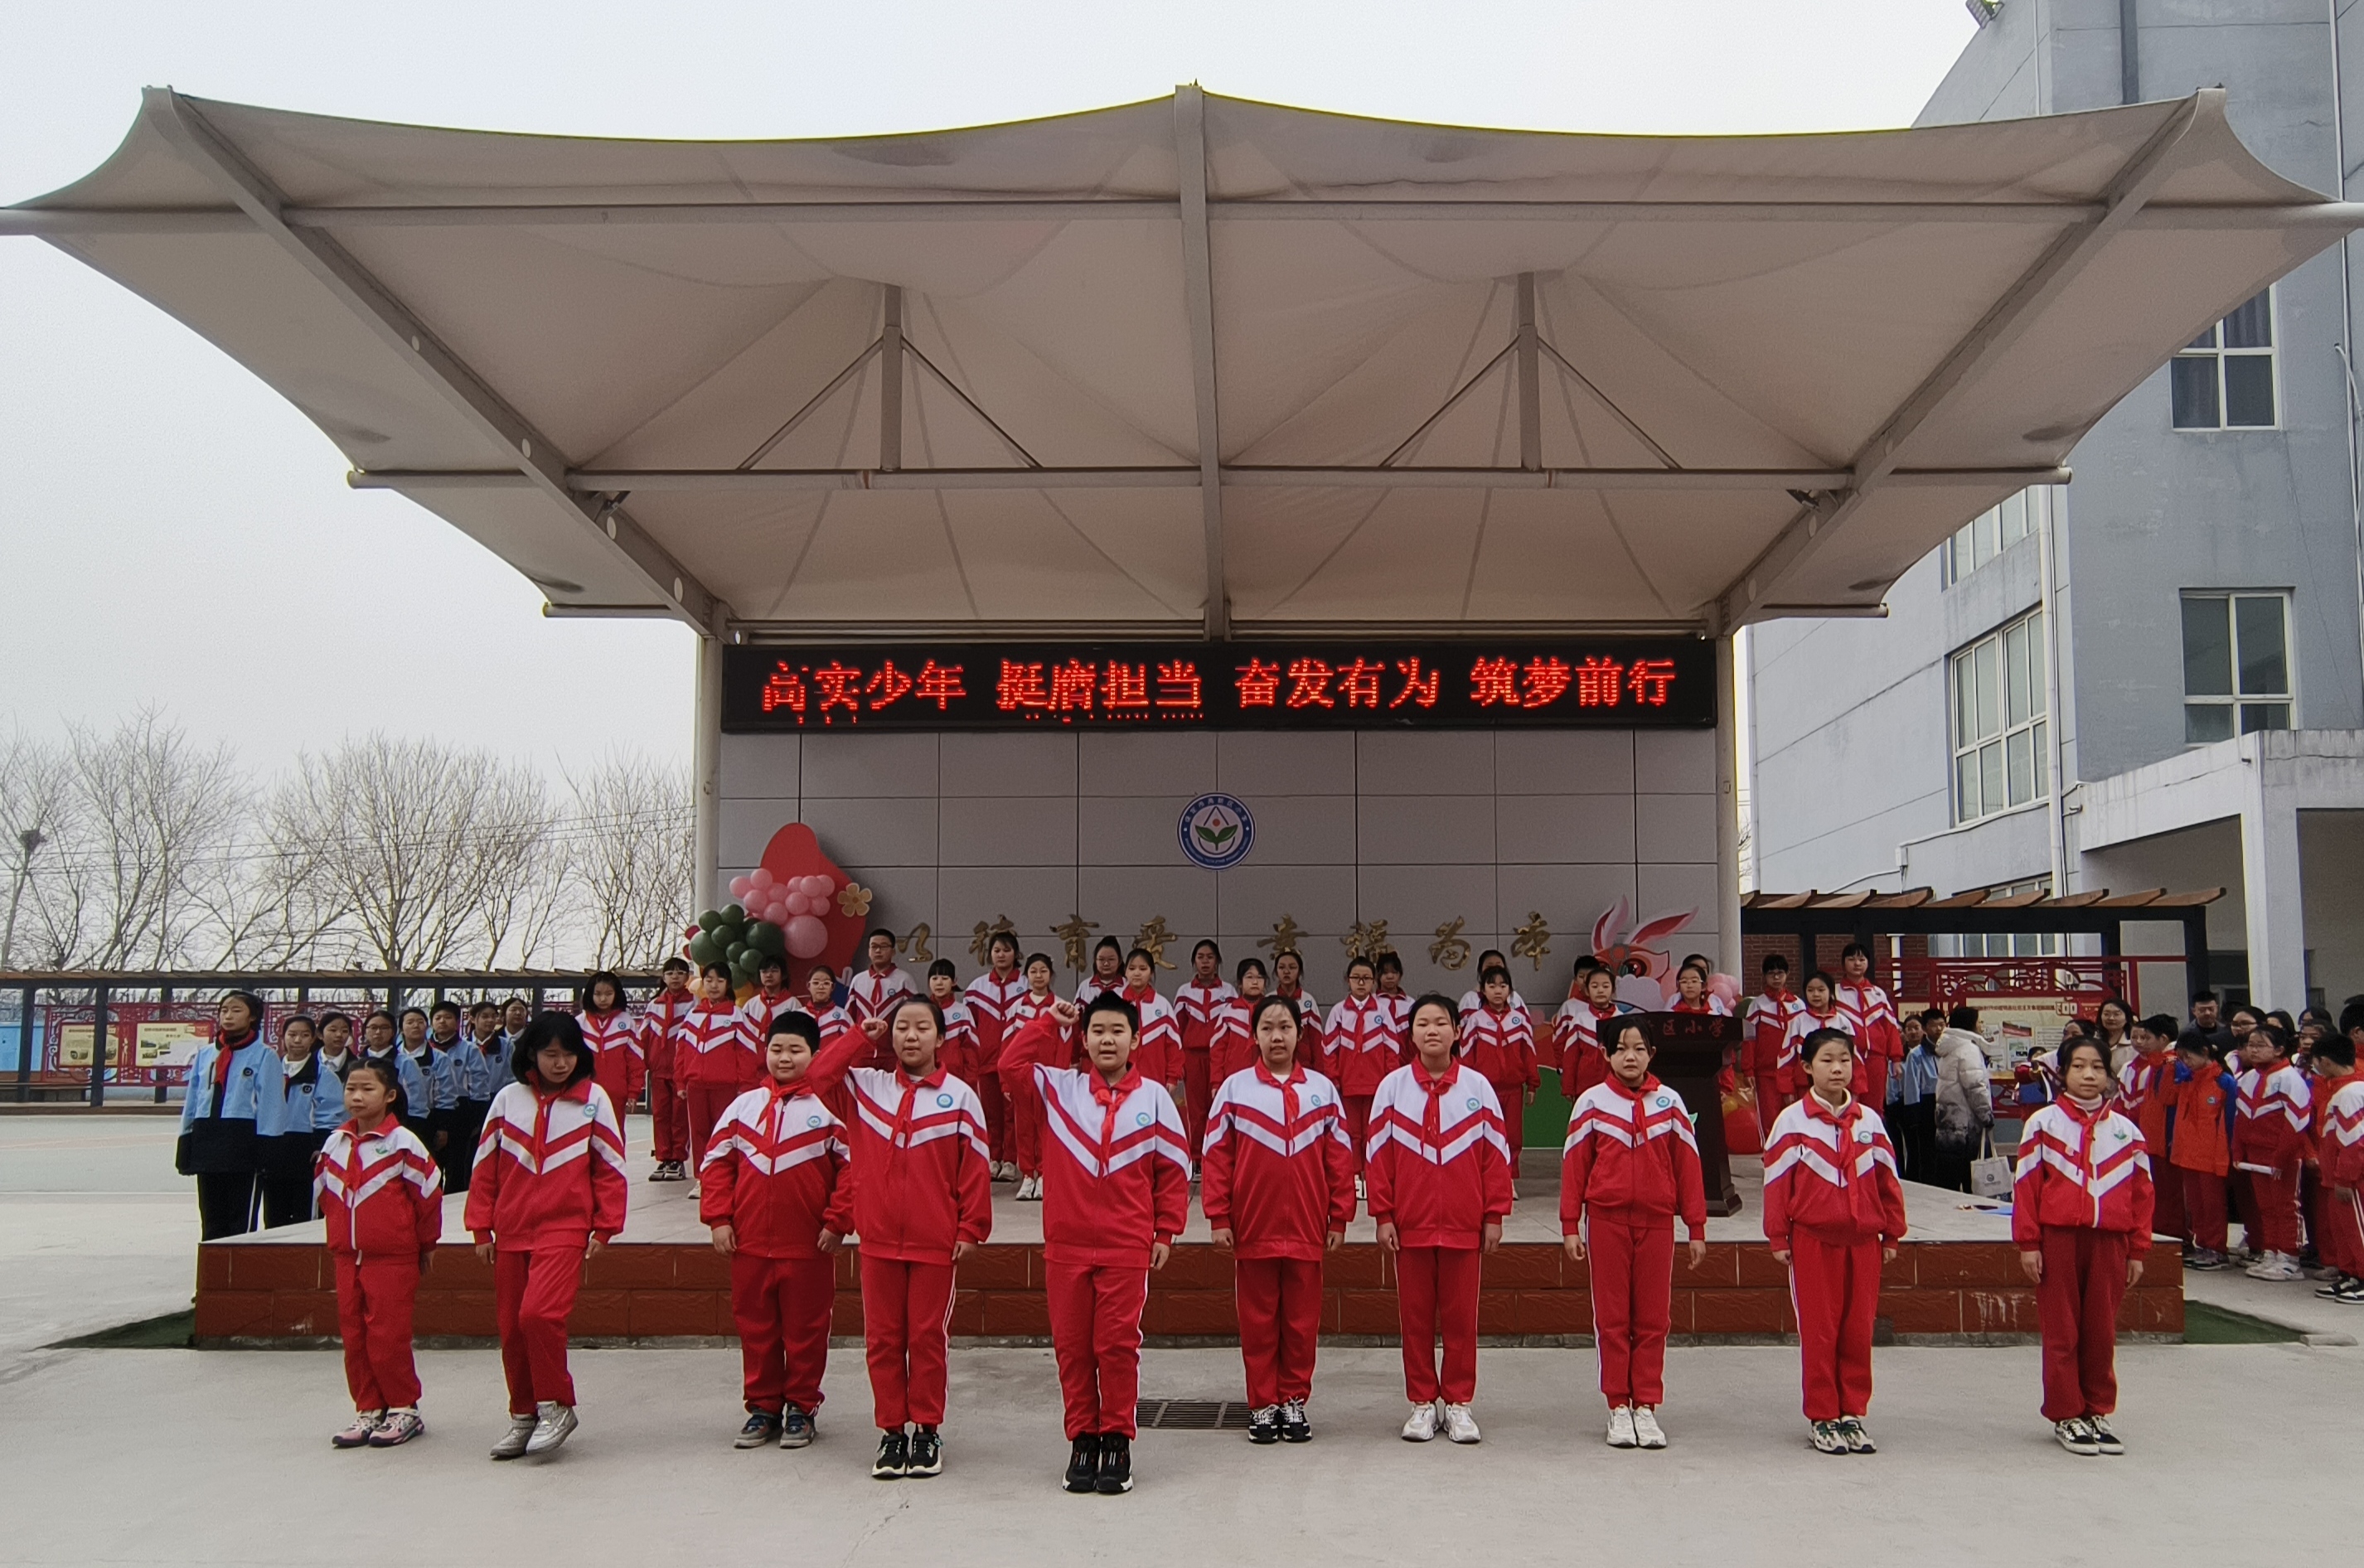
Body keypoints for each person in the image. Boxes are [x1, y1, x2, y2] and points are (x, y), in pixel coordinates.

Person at [802, 998, 993, 1481]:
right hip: (879, 1242)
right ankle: (892, 1432)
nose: (911, 1036)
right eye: (902, 1028)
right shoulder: (866, 1088)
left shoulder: (960, 1096)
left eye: (922, 1028)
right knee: (884, 1341)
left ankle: (926, 1430)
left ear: (941, 1038)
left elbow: (974, 1169)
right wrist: (858, 1038)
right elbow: (818, 1076)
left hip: (935, 1243)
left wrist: (972, 1227)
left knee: (927, 1339)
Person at [1013, 993, 1189, 1495]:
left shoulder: (1154, 1097)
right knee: (1072, 1349)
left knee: (1115, 1347)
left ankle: (1116, 1437)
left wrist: (1166, 1230)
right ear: (1084, 1039)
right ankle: (1082, 1438)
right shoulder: (1059, 1087)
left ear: (1136, 1039)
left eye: (1117, 1031)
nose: (1107, 1039)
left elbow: (1173, 1171)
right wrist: (1049, 1023)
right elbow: (1011, 1065)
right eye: (1097, 1031)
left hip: (1126, 1246)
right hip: (1066, 1247)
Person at [467, 1012, 628, 1459]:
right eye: (550, 1054)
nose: (560, 1063)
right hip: (511, 1231)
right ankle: (524, 1413)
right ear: (531, 1055)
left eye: (568, 1054)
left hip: (566, 1228)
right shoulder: (506, 1100)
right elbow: (484, 1169)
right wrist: (481, 1225)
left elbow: (610, 1169)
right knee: (511, 1328)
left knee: (539, 1315)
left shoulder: (593, 1099)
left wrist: (606, 1225)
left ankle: (557, 1405)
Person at [1201, 995, 1355, 1445]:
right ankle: (1263, 1404)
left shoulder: (1322, 1091)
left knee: (1302, 1322)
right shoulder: (1234, 1089)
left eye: (1285, 1027)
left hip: (1308, 1228)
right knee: (1258, 1319)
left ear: (1299, 1034)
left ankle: (1294, 1400)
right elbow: (1216, 1159)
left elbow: (1340, 1160)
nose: (1277, 1036)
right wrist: (1218, 1216)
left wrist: (1339, 1218)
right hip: (1253, 1227)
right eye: (1267, 1028)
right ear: (1254, 1036)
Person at [700, 1011, 854, 1450]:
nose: (784, 1058)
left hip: (808, 1246)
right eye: (777, 1049)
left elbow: (853, 1171)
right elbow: (715, 1165)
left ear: (815, 1055)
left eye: (795, 1050)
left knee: (805, 1331)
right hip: (748, 1246)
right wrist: (719, 1219)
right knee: (756, 1329)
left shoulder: (829, 1109)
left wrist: (837, 1222)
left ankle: (801, 1408)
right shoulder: (743, 1106)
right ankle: (763, 1408)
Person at [1367, 995, 1513, 1446]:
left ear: (1456, 1032)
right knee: (1414, 1318)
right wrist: (1383, 1215)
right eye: (1423, 1023)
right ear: (1410, 1034)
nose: (1432, 1031)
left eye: (1441, 1023)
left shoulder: (1478, 1087)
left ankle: (1459, 1403)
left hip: (1464, 1224)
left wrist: (1494, 1215)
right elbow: (1377, 1157)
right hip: (1409, 1226)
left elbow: (1496, 1157)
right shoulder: (1392, 1088)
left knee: (1460, 1318)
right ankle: (1422, 1403)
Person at [1562, 1019, 1707, 1450]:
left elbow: (1688, 1168)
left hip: (1658, 1222)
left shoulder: (1670, 1103)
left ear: (1651, 1055)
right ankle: (1618, 1406)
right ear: (1606, 1055)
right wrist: (1571, 1225)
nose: (1630, 1057)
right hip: (1606, 1221)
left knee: (1653, 1318)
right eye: (1621, 1049)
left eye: (1639, 1049)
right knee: (1612, 1318)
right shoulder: (1591, 1102)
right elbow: (1574, 1168)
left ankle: (1646, 1404)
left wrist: (1695, 1227)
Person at [1763, 1028, 1906, 1455]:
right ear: (1807, 1067)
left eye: (1844, 1060)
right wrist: (1777, 1234)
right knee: (1820, 1330)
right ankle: (1823, 1414)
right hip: (1812, 1240)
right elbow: (1777, 1184)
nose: (1837, 1068)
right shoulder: (1791, 1122)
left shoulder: (1870, 1122)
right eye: (1827, 1060)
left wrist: (1892, 1232)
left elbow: (1888, 1182)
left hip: (1863, 1242)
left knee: (1857, 1328)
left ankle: (1852, 1412)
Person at [2013, 1037, 2153, 1456]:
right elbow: (2026, 1188)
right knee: (2062, 1330)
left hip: (2110, 1241)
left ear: (2110, 1076)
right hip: (2057, 1240)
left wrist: (2138, 1250)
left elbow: (2143, 1195)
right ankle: (2066, 1413)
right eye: (2078, 1067)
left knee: (2101, 1330)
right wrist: (2028, 1244)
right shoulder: (2043, 1123)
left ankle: (2097, 1410)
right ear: (2064, 1073)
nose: (2088, 1076)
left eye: (2097, 1067)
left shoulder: (2127, 1130)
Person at [318, 1055, 443, 1449]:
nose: (357, 1096)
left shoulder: (403, 1143)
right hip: (346, 1256)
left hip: (393, 1257)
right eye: (351, 1089)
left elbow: (428, 1197)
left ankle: (404, 1408)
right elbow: (326, 1198)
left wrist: (426, 1244)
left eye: (367, 1089)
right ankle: (369, 1408)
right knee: (354, 1335)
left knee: (387, 1335)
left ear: (389, 1096)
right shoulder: (334, 1142)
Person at [177, 991, 280, 1239]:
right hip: (208, 1140)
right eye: (224, 1010)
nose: (228, 1016)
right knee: (211, 1220)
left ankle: (238, 1274)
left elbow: (271, 1105)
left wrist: (267, 1149)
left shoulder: (264, 1055)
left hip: (242, 1143)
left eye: (236, 1010)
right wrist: (186, 1140)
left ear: (252, 1016)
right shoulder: (205, 1055)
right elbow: (194, 1099)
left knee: (239, 1222)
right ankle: (213, 1274)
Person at [2231, 1024, 2312, 1280]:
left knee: (2286, 1206)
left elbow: (2296, 1123)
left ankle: (2289, 1258)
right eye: (2250, 1046)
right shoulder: (2248, 1078)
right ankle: (2271, 1251)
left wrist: (2281, 1157)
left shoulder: (2290, 1078)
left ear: (2279, 1049)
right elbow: (2241, 1119)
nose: (2253, 1050)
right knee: (2265, 1207)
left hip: (2282, 1156)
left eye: (2260, 1045)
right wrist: (2237, 1150)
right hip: (2255, 1155)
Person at [262, 1015, 345, 1228]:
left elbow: (332, 1113)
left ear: (313, 1039)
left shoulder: (323, 1075)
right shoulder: (270, 1070)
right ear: (282, 1038)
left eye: (304, 1035)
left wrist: (321, 1145)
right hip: (273, 1144)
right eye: (292, 1034)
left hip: (306, 1147)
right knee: (273, 1213)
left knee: (304, 1211)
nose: (297, 1040)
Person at [678, 962, 758, 1175]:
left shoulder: (736, 1015)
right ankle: (702, 1177)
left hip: (726, 1087)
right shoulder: (692, 1015)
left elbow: (747, 1054)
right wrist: (680, 1082)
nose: (714, 986)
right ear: (703, 983)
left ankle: (722, 1175)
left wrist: (746, 1086)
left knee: (723, 1131)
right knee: (699, 1133)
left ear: (728, 984)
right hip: (696, 1086)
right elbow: (681, 1052)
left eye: (720, 981)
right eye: (709, 980)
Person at [2115, 1015, 2187, 1248]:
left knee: (2171, 1193)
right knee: (2156, 1189)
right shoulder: (2150, 1064)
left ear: (2163, 1039)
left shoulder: (2172, 1063)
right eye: (2135, 1037)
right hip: (2148, 1135)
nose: (2138, 1042)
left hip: (2166, 1138)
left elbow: (2169, 1101)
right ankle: (2160, 1231)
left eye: (2145, 1037)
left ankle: (2175, 1236)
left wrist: (2169, 1138)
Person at [999, 953, 1064, 1200]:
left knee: (1047, 1126)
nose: (1039, 976)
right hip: (1021, 1074)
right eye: (1033, 971)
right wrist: (1006, 1081)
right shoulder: (1017, 1007)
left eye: (1043, 971)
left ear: (1051, 975)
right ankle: (1028, 1175)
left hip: (1048, 1076)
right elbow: (1006, 1044)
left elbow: (1065, 1044)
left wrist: (1058, 1077)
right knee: (1024, 1126)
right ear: (1026, 976)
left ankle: (1045, 1173)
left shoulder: (1059, 1005)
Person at [964, 930, 1029, 1180]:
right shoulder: (976, 989)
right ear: (990, 954)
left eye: (1007, 950)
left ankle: (1011, 1161)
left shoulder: (1026, 984)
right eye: (997, 950)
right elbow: (971, 1028)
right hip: (986, 1061)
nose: (1001, 955)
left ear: (1016, 953)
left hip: (1015, 1061)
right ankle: (994, 1157)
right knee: (990, 1113)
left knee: (1013, 1113)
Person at [1461, 965, 1539, 1168]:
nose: (1498, 990)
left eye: (1503, 986)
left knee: (1512, 1135)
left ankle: (1509, 1177)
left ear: (1510, 991)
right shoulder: (1475, 1021)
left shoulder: (1519, 1020)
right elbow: (1467, 1056)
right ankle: (1488, 1175)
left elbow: (1529, 1053)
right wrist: (1466, 1086)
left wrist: (1532, 1084)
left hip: (1513, 1089)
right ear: (1483, 990)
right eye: (1492, 985)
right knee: (1485, 1132)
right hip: (1484, 1090)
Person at [2168, 1030, 2234, 1270]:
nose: (2184, 1062)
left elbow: (2229, 1121)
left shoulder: (2224, 1081)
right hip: (2188, 1153)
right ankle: (2203, 1244)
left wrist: (2228, 1152)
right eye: (2181, 1057)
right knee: (2195, 1205)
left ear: (2205, 1052)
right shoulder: (2186, 1080)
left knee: (2213, 1204)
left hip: (2212, 1154)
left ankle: (2217, 1249)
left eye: (2188, 1057)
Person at [2313, 1018, 2364, 1304]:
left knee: (2357, 1228)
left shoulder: (2352, 1092)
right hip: (2335, 1175)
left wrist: (2346, 1178)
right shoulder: (2340, 1090)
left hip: (2351, 1178)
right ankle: (2351, 1274)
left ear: (2327, 1062)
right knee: (2343, 1230)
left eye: (2317, 1062)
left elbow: (2355, 1142)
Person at [1174, 940, 1236, 1163]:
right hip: (1193, 1057)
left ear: (1217, 961)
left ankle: (1219, 1156)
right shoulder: (1184, 992)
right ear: (1194, 962)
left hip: (1219, 1059)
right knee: (1196, 1111)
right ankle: (1196, 1158)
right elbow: (1177, 1030)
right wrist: (1179, 1063)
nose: (1205, 962)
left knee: (1218, 1107)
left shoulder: (1229, 992)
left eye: (1210, 957)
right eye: (1201, 957)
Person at [1928, 1007, 1994, 1194]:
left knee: (1948, 1180)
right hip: (1965, 1127)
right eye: (1979, 1021)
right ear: (1970, 1024)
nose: (1981, 1025)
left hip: (1948, 1123)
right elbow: (1974, 1086)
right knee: (1970, 1180)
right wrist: (1986, 1116)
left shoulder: (1951, 1047)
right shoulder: (1968, 1049)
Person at [447, 1000, 509, 1196]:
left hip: (495, 1100)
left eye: (493, 1016)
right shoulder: (462, 1046)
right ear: (473, 1019)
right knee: (464, 1153)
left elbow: (511, 1076)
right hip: (468, 1103)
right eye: (485, 1016)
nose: (490, 1021)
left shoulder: (507, 1046)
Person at [1553, 963, 1639, 1105]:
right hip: (1586, 1087)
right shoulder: (1580, 1020)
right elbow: (1571, 1057)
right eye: (1595, 986)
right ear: (1586, 991)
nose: (1600, 990)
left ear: (1613, 990)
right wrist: (1568, 1087)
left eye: (1605, 986)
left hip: (1618, 1086)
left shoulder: (1622, 1020)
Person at [645, 956, 697, 1182]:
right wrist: (646, 1064)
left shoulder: (694, 1002)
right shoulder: (654, 1004)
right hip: (658, 1069)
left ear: (687, 977)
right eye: (670, 973)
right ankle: (663, 1157)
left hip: (680, 1070)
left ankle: (678, 1159)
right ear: (663, 977)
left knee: (679, 1116)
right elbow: (645, 1037)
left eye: (680, 972)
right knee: (660, 1114)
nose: (675, 977)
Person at [578, 973, 647, 1139]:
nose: (603, 999)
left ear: (617, 994)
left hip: (616, 1093)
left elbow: (636, 1061)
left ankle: (616, 1165)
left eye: (608, 994)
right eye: (598, 994)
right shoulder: (579, 1023)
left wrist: (633, 1092)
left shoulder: (627, 1022)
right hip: (585, 1091)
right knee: (585, 1134)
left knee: (614, 1135)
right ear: (589, 994)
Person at [1834, 945, 1902, 1107]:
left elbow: (1891, 1029)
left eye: (1861, 959)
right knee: (1846, 1104)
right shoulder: (1834, 992)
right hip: (1846, 1058)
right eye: (1851, 959)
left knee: (1875, 1106)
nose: (1857, 963)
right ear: (1843, 964)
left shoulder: (1877, 994)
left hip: (1876, 1059)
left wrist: (1896, 1059)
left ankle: (1871, 1133)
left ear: (1868, 964)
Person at [1118, 947, 1185, 1109]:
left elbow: (1174, 1046)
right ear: (1125, 972)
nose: (1137, 973)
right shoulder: (1114, 1003)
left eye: (1143, 969)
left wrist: (1172, 1077)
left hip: (1155, 1080)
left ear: (1152, 972)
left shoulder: (1162, 1005)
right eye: (1132, 968)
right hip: (1120, 1078)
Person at [1745, 955, 1804, 1136]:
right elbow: (1749, 1040)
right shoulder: (1757, 1005)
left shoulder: (1798, 1005)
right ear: (1764, 976)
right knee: (1769, 1119)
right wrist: (1748, 1069)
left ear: (1787, 974)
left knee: (1795, 1117)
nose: (1776, 978)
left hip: (1793, 1072)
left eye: (1780, 973)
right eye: (1771, 974)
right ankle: (1770, 1159)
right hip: (1766, 1073)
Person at [1887, 1012, 1941, 1187]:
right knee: (1917, 1147)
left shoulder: (1942, 1050)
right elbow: (1909, 1085)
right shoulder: (1910, 1055)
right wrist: (1910, 1109)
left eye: (1916, 1028)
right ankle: (1916, 1179)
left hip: (1940, 1100)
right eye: (1908, 1029)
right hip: (1917, 1103)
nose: (1913, 1032)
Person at [397, 1007, 458, 1162]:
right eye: (410, 1022)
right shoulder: (394, 1057)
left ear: (427, 1027)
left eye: (420, 1022)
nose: (416, 1026)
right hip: (395, 1119)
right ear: (401, 1029)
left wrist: (443, 1127)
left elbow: (446, 1095)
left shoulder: (439, 1058)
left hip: (426, 1120)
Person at [1781, 973, 1851, 1104]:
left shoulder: (1843, 1022)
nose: (1816, 994)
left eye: (1821, 990)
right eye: (1810, 990)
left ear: (1831, 992)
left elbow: (1854, 1059)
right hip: (1804, 1088)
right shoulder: (1797, 1021)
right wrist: (1787, 1090)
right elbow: (1786, 1058)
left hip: (1837, 1087)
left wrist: (1856, 1090)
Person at [357, 1010, 430, 1126]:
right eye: (373, 1027)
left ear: (393, 1032)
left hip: (400, 1124)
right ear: (365, 1032)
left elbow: (418, 1102)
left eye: (384, 1028)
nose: (378, 1032)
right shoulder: (356, 1063)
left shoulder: (406, 1062)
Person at [1209, 958, 1270, 1086]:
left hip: (1267, 1077)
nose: (1255, 982)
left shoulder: (1273, 1009)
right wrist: (1216, 1082)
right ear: (1240, 983)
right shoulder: (1230, 1011)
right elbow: (1218, 1050)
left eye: (1260, 977)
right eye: (1249, 977)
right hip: (1235, 1079)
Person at [846, 931, 916, 1031]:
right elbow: (849, 1017)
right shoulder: (858, 980)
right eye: (874, 946)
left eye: (883, 946)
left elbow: (914, 1014)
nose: (878, 950)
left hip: (893, 1043)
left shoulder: (904, 980)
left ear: (893, 951)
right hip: (863, 1043)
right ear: (869, 951)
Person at [927, 960, 979, 1087]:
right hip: (926, 1077)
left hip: (957, 1080)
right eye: (934, 978)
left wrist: (969, 1081)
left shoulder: (962, 1011)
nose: (939, 982)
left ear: (954, 981)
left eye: (945, 978)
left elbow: (971, 1050)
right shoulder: (922, 1009)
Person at [1077, 936, 1126, 1005]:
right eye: (1101, 959)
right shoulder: (1085, 986)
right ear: (1095, 960)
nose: (1106, 964)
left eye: (1111, 959)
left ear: (1120, 961)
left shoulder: (1128, 986)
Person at [2093, 998, 2136, 1076]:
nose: (2111, 1018)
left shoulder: (2134, 1045)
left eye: (2116, 1014)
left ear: (2127, 1018)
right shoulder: (2094, 1042)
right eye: (2106, 1014)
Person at [2187, 991, 2234, 1056]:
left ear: (2217, 1008)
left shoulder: (2226, 1030)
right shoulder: (2187, 1033)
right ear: (2193, 1011)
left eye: (2211, 1009)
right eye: (2202, 1010)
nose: (2207, 1013)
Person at [317, 1011, 356, 1077]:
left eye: (344, 1031)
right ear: (320, 1034)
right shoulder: (308, 1063)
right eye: (333, 1030)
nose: (339, 1035)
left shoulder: (357, 1065)